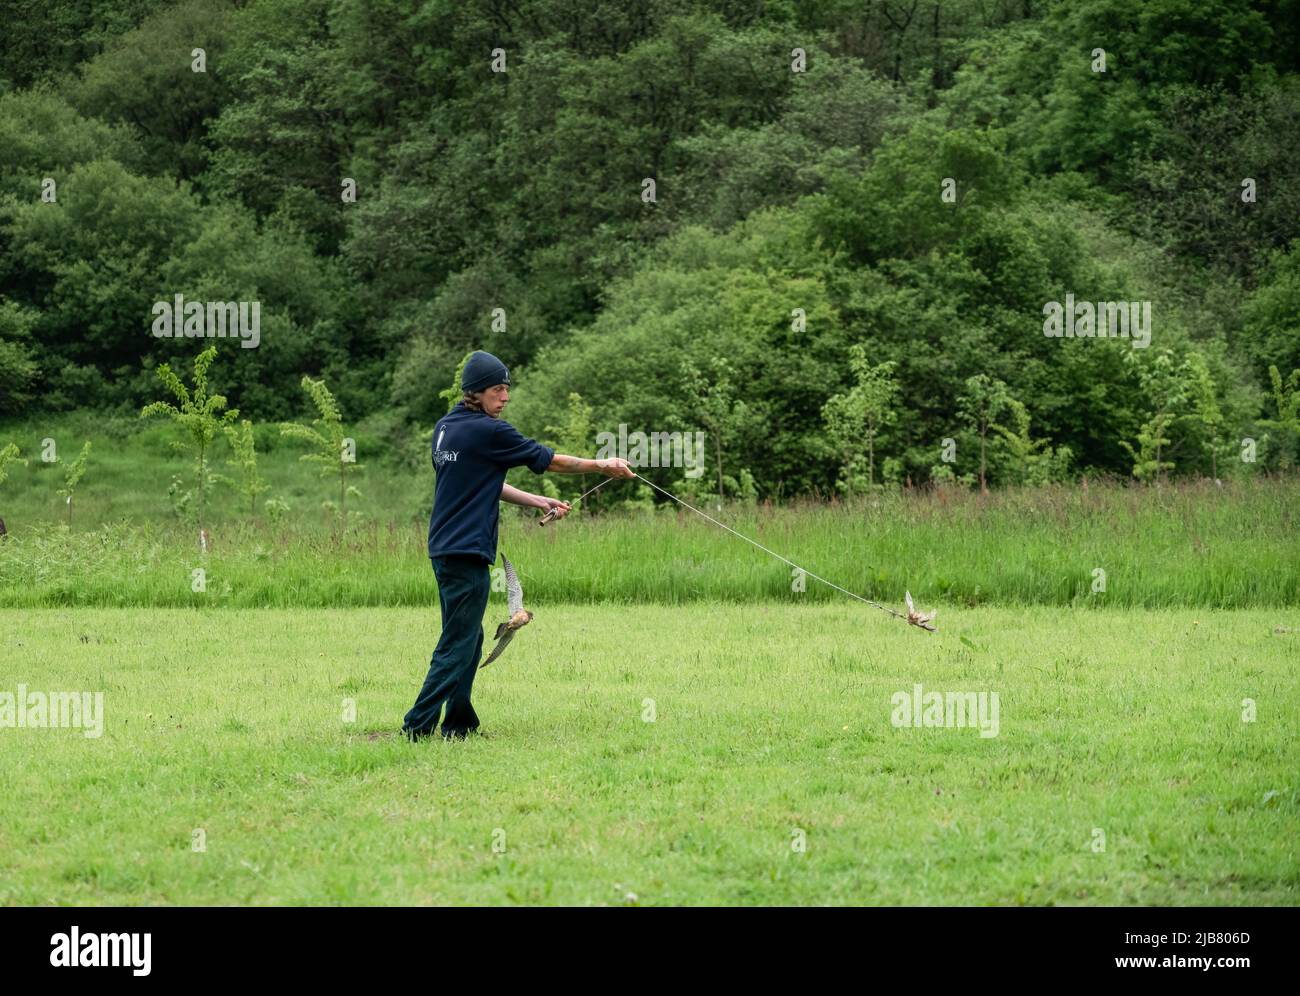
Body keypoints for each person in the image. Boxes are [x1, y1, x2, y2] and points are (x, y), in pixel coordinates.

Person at [401, 350, 634, 741]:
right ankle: (416, 726)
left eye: (507, 389)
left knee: (468, 638)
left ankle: (458, 724)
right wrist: (602, 465)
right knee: (457, 643)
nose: (505, 397)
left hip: (443, 547)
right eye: (498, 389)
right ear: (476, 392)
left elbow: (483, 482)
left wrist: (538, 501)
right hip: (467, 550)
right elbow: (552, 461)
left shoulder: (445, 428)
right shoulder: (490, 431)